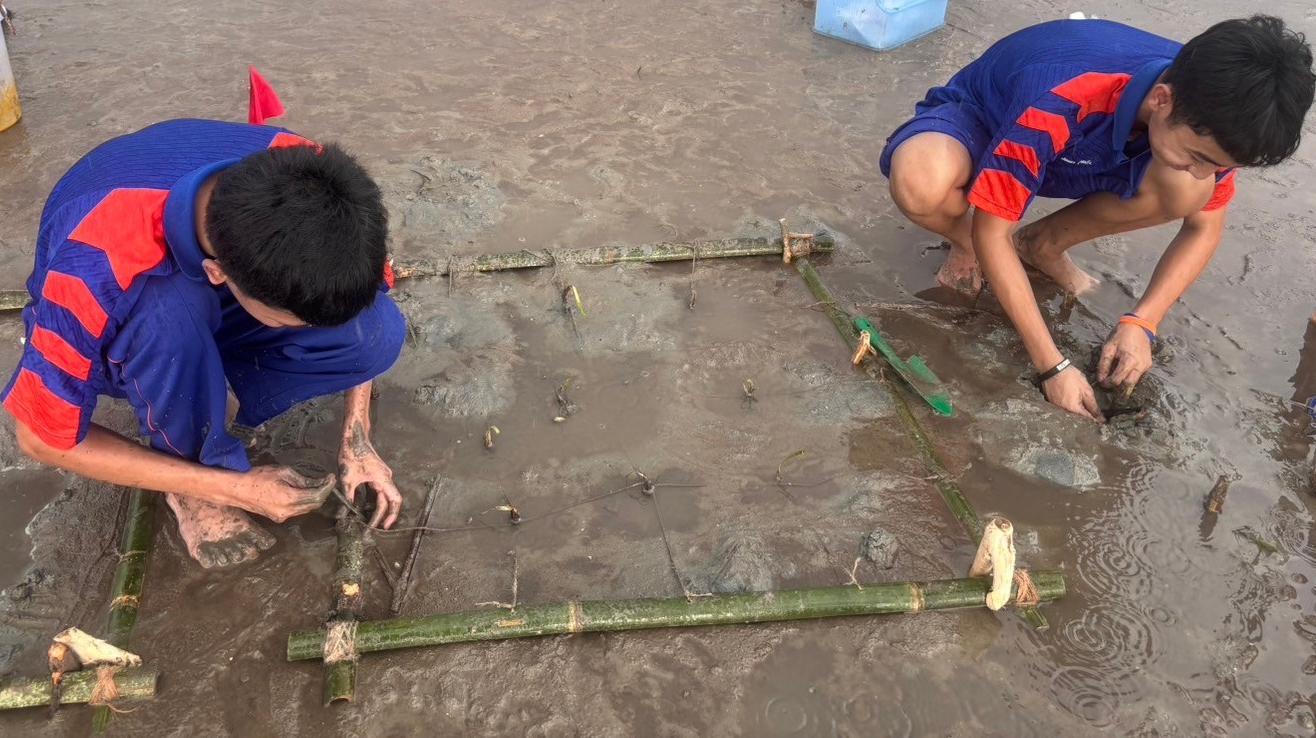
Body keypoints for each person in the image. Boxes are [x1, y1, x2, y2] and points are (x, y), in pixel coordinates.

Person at [1, 119, 406, 568]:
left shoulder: (320, 180)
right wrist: (231, 487)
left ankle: (216, 373)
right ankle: (188, 480)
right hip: (136, 309)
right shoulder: (90, 267)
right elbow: (39, 438)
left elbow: (356, 297)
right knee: (167, 315)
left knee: (375, 331)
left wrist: (358, 434)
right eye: (286, 320)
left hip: (207, 278)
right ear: (218, 273)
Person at [881, 15, 1315, 419]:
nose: (1209, 172)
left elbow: (1204, 229)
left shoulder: (1219, 104)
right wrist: (1053, 367)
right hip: (987, 119)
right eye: (1199, 155)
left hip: (1088, 148)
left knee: (1190, 190)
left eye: (1221, 166)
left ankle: (1040, 246)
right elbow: (993, 230)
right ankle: (965, 245)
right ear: (1162, 99)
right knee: (922, 182)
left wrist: (1142, 323)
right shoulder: (1062, 97)